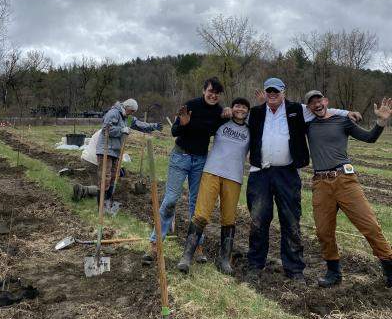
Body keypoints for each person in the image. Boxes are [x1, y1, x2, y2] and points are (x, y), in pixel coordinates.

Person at [246, 77, 358, 282]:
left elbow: (322, 109)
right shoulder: (255, 112)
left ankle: (294, 268)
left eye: (276, 91)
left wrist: (346, 113)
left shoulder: (298, 109)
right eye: (269, 91)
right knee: (258, 220)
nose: (272, 94)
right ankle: (255, 264)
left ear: (283, 92)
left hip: (287, 174)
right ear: (265, 92)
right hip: (259, 173)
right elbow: (236, 116)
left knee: (290, 221)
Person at [306, 91, 392, 288]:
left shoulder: (342, 121)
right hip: (320, 183)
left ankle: (389, 268)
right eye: (312, 103)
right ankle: (333, 272)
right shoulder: (308, 125)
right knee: (323, 231)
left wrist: (380, 122)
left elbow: (369, 138)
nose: (317, 105)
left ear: (326, 102)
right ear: (309, 108)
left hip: (345, 180)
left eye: (319, 100)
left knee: (369, 225)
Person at [142, 77, 226, 265]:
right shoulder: (191, 105)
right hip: (181, 156)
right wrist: (184, 123)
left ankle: (196, 246)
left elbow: (223, 129)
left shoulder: (219, 112)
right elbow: (174, 132)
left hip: (201, 160)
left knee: (197, 205)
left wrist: (228, 114)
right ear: (204, 90)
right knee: (171, 199)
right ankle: (155, 245)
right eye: (210, 91)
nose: (213, 95)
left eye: (217, 93)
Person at [177, 97, 250, 275]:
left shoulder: (251, 130)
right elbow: (203, 125)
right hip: (212, 172)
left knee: (229, 219)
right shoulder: (221, 123)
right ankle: (187, 256)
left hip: (234, 177)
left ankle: (224, 259)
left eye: (244, 107)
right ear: (231, 109)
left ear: (248, 111)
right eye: (237, 106)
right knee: (201, 214)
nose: (240, 109)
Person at [92, 99, 162, 204]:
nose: (132, 113)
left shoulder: (127, 118)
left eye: (134, 112)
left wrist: (153, 126)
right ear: (126, 107)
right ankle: (101, 206)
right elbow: (106, 129)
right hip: (105, 149)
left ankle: (107, 202)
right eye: (132, 111)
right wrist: (121, 130)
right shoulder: (113, 113)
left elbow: (138, 124)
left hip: (116, 151)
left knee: (113, 177)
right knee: (105, 177)